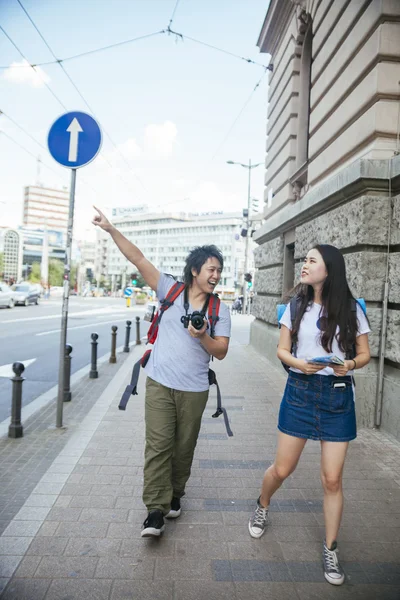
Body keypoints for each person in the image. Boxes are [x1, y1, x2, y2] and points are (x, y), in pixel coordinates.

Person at [92, 206, 231, 538]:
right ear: (195, 270)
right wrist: (111, 229)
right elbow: (138, 259)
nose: (216, 275)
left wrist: (203, 337)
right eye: (211, 269)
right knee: (158, 445)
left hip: (195, 390)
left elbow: (222, 352)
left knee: (183, 447)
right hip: (158, 383)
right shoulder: (169, 289)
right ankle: (154, 511)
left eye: (219, 271)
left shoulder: (218, 309)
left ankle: (175, 494)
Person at [248, 244, 371, 586]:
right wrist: (300, 363)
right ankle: (262, 502)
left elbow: (364, 354)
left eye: (311, 261)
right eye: (304, 260)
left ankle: (331, 548)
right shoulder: (295, 307)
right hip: (300, 392)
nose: (304, 265)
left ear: (329, 270)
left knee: (332, 479)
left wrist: (348, 364)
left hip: (337, 397)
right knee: (283, 469)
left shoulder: (351, 308)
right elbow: (282, 350)